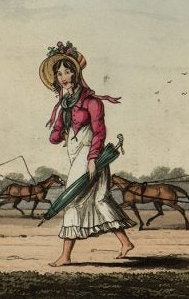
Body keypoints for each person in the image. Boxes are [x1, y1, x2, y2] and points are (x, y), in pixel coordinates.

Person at [39, 41, 136, 267]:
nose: (63, 76)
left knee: (71, 198)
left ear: (76, 72)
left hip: (90, 156)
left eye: (68, 71)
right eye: (59, 73)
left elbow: (100, 132)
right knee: (99, 200)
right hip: (76, 155)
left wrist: (92, 159)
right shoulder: (63, 104)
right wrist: (58, 130)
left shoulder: (92, 102)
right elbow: (55, 137)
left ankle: (65, 256)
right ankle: (125, 242)